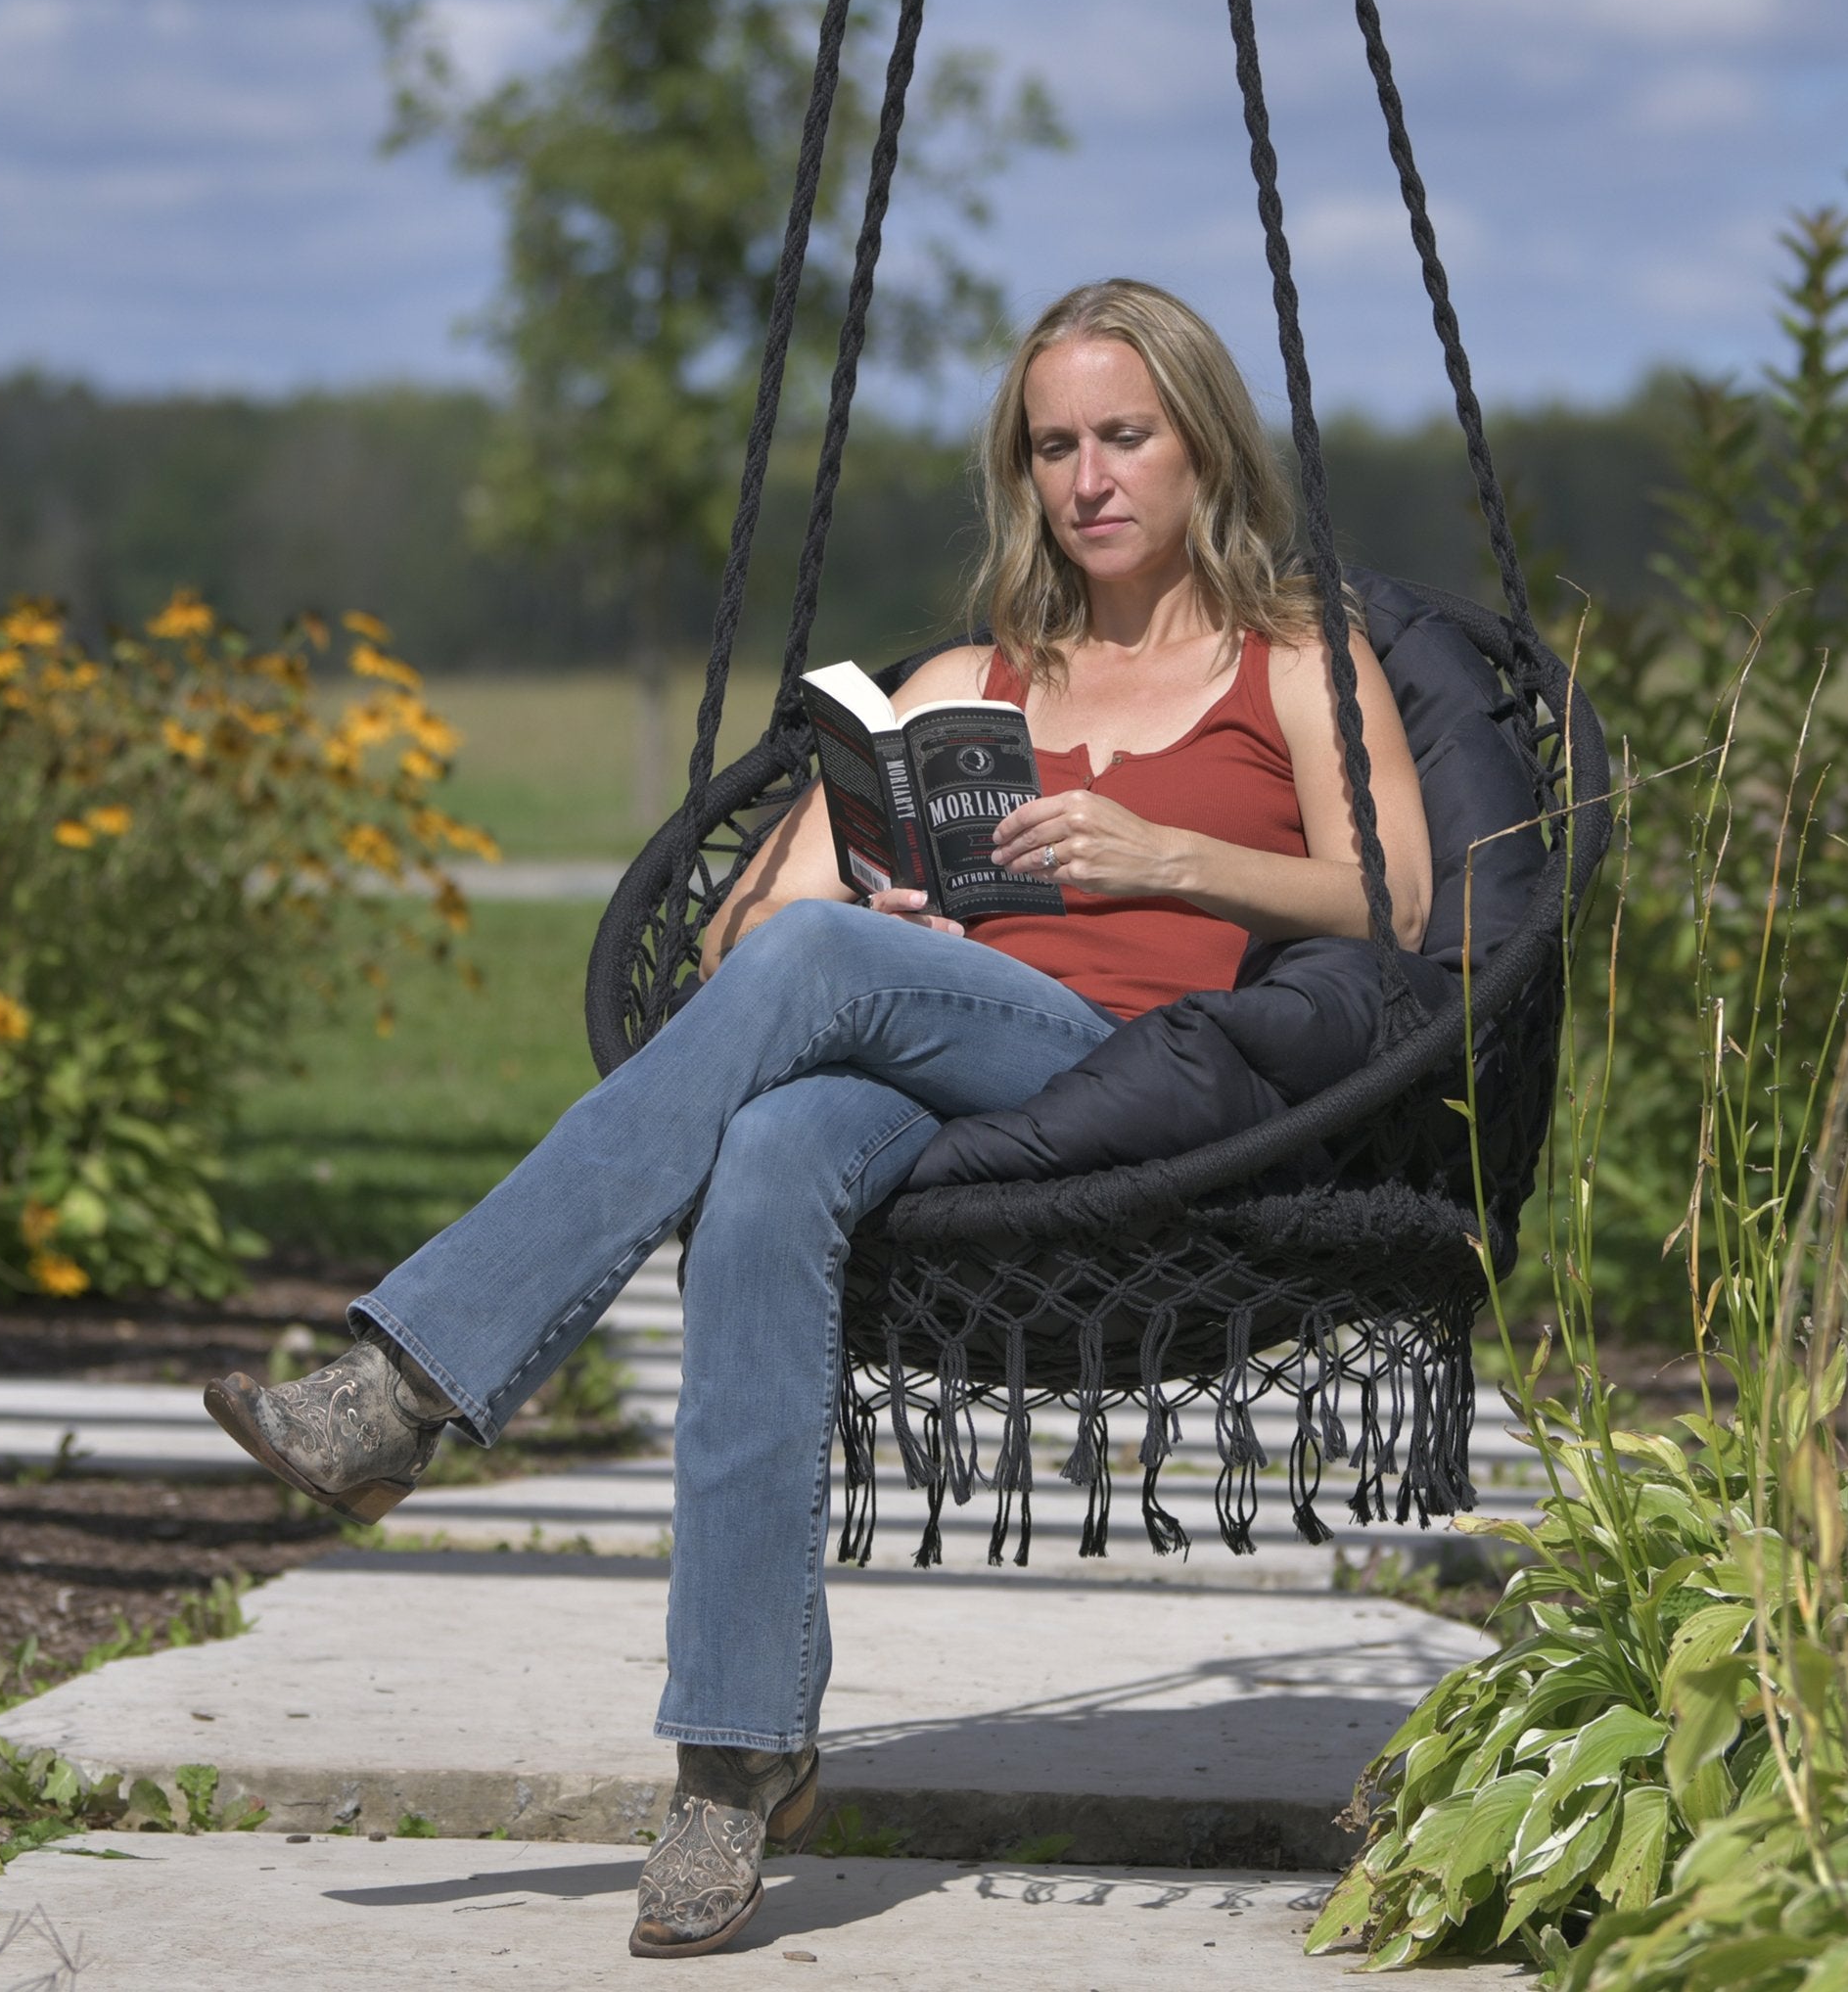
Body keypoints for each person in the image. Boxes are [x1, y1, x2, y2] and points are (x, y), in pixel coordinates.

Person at [204, 278, 1429, 1958]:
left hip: (1148, 1078)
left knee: (830, 970)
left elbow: (1403, 901)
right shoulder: (963, 680)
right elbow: (741, 950)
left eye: (1124, 436)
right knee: (775, 1154)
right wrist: (879, 917)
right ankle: (735, 1760)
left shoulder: (1293, 652)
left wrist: (1171, 859)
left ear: (1204, 444)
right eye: (1053, 445)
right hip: (943, 1061)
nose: (1089, 479)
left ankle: (413, 1381)